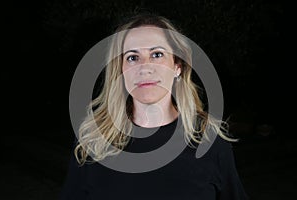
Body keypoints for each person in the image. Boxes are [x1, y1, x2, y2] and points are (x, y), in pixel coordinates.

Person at [60, 13, 249, 200]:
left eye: (157, 54)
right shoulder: (94, 142)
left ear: (178, 66)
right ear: (120, 70)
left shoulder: (210, 142)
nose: (145, 67)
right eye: (133, 57)